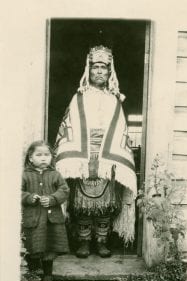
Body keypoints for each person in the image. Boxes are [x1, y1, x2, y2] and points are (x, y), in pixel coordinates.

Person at [55, 45, 137, 258]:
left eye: (104, 67)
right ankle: (83, 242)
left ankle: (101, 241)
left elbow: (121, 129)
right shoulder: (79, 97)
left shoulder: (114, 99)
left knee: (105, 202)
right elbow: (69, 124)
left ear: (110, 72)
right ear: (88, 70)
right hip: (82, 155)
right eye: (95, 67)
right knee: (82, 202)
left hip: (107, 155)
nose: (99, 71)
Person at [21, 140, 70, 281]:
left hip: (51, 220)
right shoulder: (24, 175)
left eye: (47, 155)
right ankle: (33, 274)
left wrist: (53, 199)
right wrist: (29, 197)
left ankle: (48, 274)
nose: (43, 158)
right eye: (39, 155)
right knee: (32, 245)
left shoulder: (55, 174)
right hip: (33, 220)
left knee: (49, 247)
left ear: (51, 157)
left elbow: (64, 190)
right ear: (30, 158)